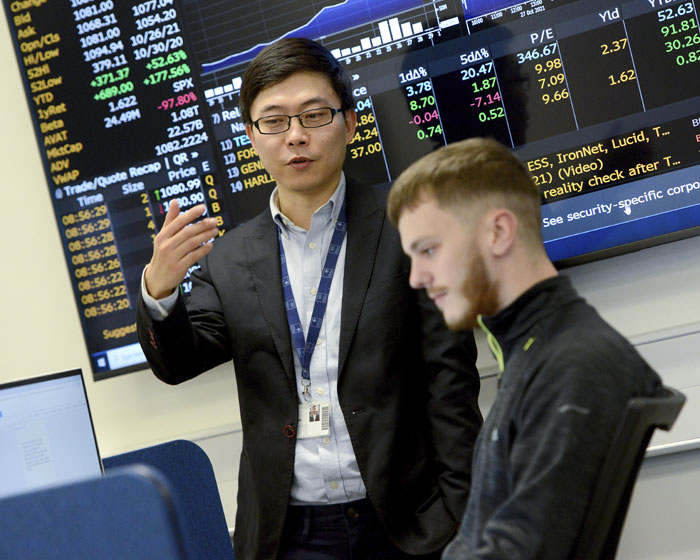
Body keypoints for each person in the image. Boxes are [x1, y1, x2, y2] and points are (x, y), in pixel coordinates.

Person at [136, 38, 482, 560]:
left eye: (315, 115)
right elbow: (178, 364)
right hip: (288, 535)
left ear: (350, 123)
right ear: (251, 140)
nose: (295, 136)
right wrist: (159, 290)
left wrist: (459, 512)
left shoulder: (409, 225)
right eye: (273, 121)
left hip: (409, 522)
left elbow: (451, 381)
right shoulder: (228, 259)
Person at [387, 137, 664, 559]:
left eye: (429, 250)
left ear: (499, 232)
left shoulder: (577, 363)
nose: (417, 277)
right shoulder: (536, 348)